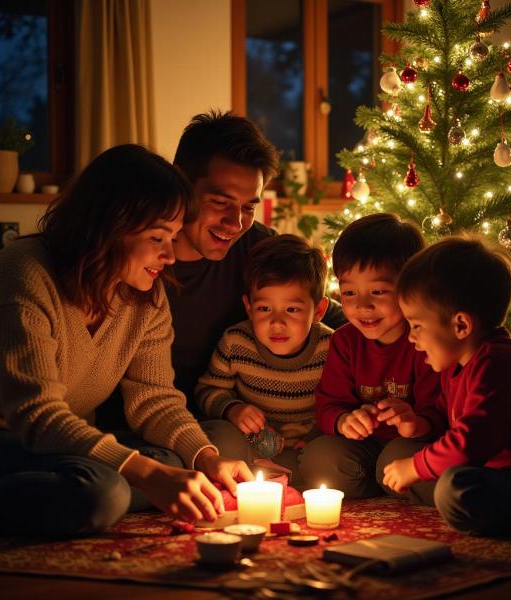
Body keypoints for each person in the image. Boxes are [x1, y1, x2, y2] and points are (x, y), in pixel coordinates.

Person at [0, 144, 252, 537]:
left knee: (174, 462)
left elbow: (155, 399)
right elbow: (37, 416)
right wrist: (146, 473)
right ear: (110, 226)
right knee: (104, 490)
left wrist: (205, 458)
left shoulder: (145, 293)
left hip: (67, 447)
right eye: (157, 237)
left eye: (173, 236)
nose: (169, 255)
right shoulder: (25, 272)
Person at [378, 236, 511, 535]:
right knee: (390, 467)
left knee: (455, 489)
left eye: (416, 326)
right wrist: (420, 423)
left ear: (461, 325)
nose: (410, 338)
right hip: (497, 475)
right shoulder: (458, 365)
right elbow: (445, 415)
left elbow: (468, 441)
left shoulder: (498, 365)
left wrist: (415, 467)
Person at [169, 110, 346, 412]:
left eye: (249, 207)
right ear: (181, 184)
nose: (235, 223)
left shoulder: (260, 249)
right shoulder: (142, 256)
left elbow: (327, 313)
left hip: (229, 421)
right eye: (220, 202)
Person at [298, 213, 442, 498]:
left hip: (409, 444)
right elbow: (328, 404)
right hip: (363, 447)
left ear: (411, 287)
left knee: (400, 460)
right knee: (319, 459)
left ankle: (385, 480)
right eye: (349, 292)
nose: (362, 306)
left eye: (378, 291)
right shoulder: (344, 341)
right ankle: (378, 484)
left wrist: (416, 423)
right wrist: (344, 420)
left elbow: (441, 413)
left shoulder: (424, 341)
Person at [195, 234, 333, 486]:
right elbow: (207, 390)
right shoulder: (237, 342)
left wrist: (318, 434)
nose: (277, 322)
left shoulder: (331, 348)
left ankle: (290, 477)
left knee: (329, 458)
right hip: (249, 448)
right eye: (264, 309)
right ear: (249, 307)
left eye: (292, 309)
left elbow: (341, 400)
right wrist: (232, 409)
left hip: (307, 448)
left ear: (319, 311)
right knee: (218, 436)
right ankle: (257, 478)